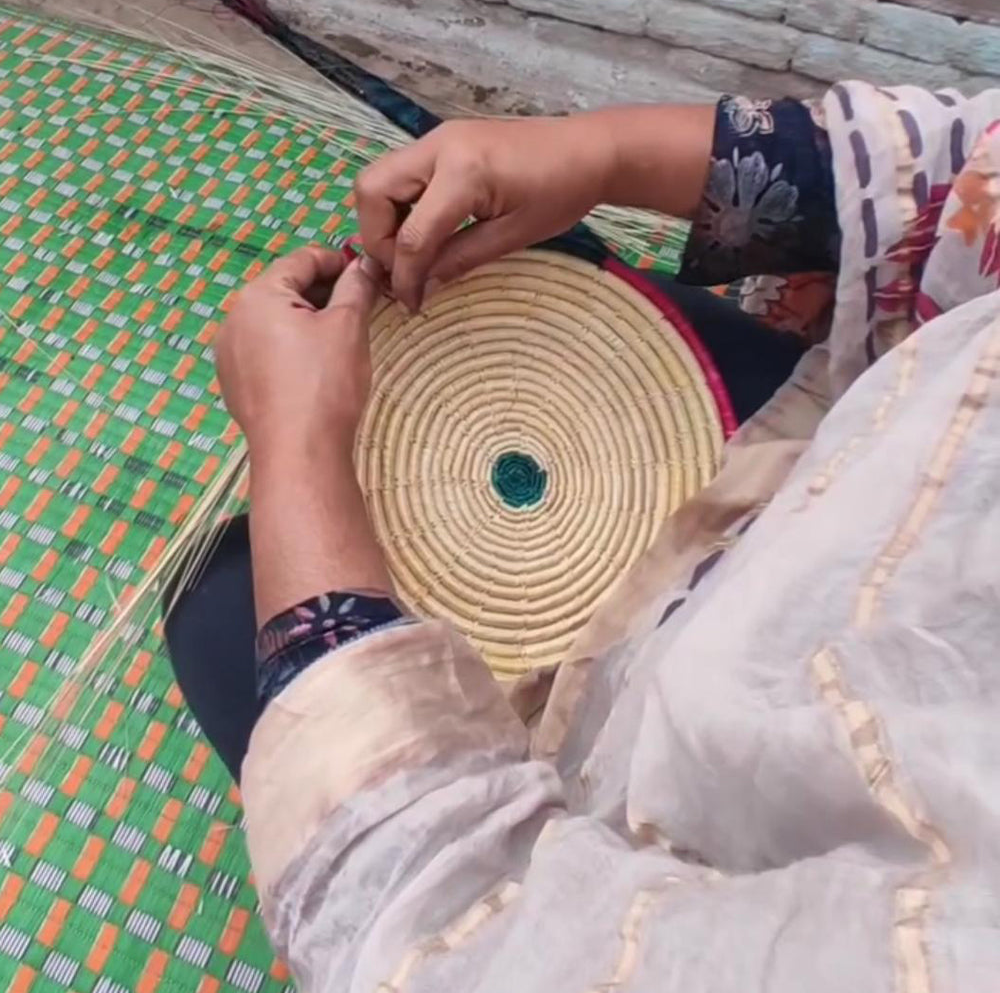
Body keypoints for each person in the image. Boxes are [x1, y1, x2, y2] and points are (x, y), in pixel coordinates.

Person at [166, 81, 1000, 991]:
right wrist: (604, 154)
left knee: (215, 597)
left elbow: (466, 947)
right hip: (842, 450)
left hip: (656, 773)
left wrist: (296, 446)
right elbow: (975, 178)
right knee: (529, 249)